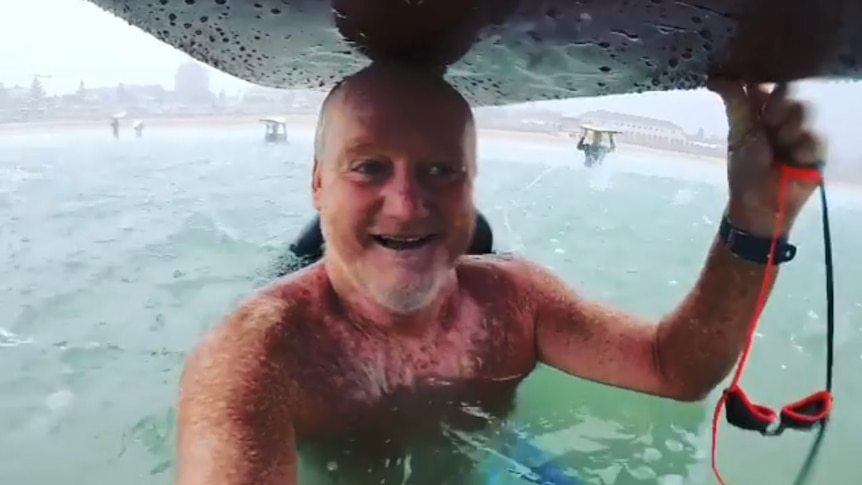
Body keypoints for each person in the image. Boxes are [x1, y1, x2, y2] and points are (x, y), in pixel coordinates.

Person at [175, 63, 824, 485]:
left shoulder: (515, 300)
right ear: (318, 184)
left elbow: (675, 366)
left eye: (440, 170)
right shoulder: (257, 355)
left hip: (496, 456)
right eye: (369, 166)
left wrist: (753, 220)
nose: (406, 203)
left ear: (471, 186)